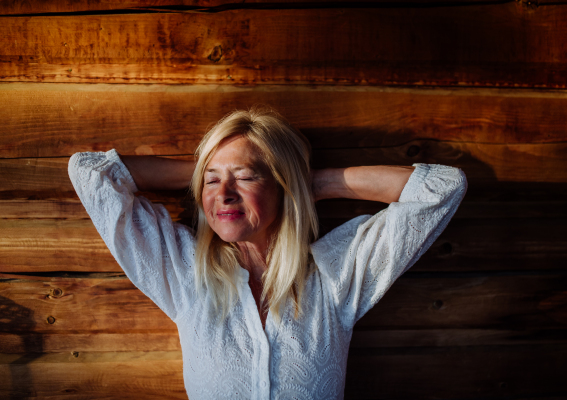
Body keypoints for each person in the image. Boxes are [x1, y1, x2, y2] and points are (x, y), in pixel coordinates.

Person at [68, 106, 467, 399]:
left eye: (245, 177)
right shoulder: (186, 272)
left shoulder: (335, 275)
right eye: (211, 180)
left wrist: (310, 181)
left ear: (283, 186)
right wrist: (200, 173)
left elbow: (442, 188)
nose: (223, 193)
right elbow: (91, 173)